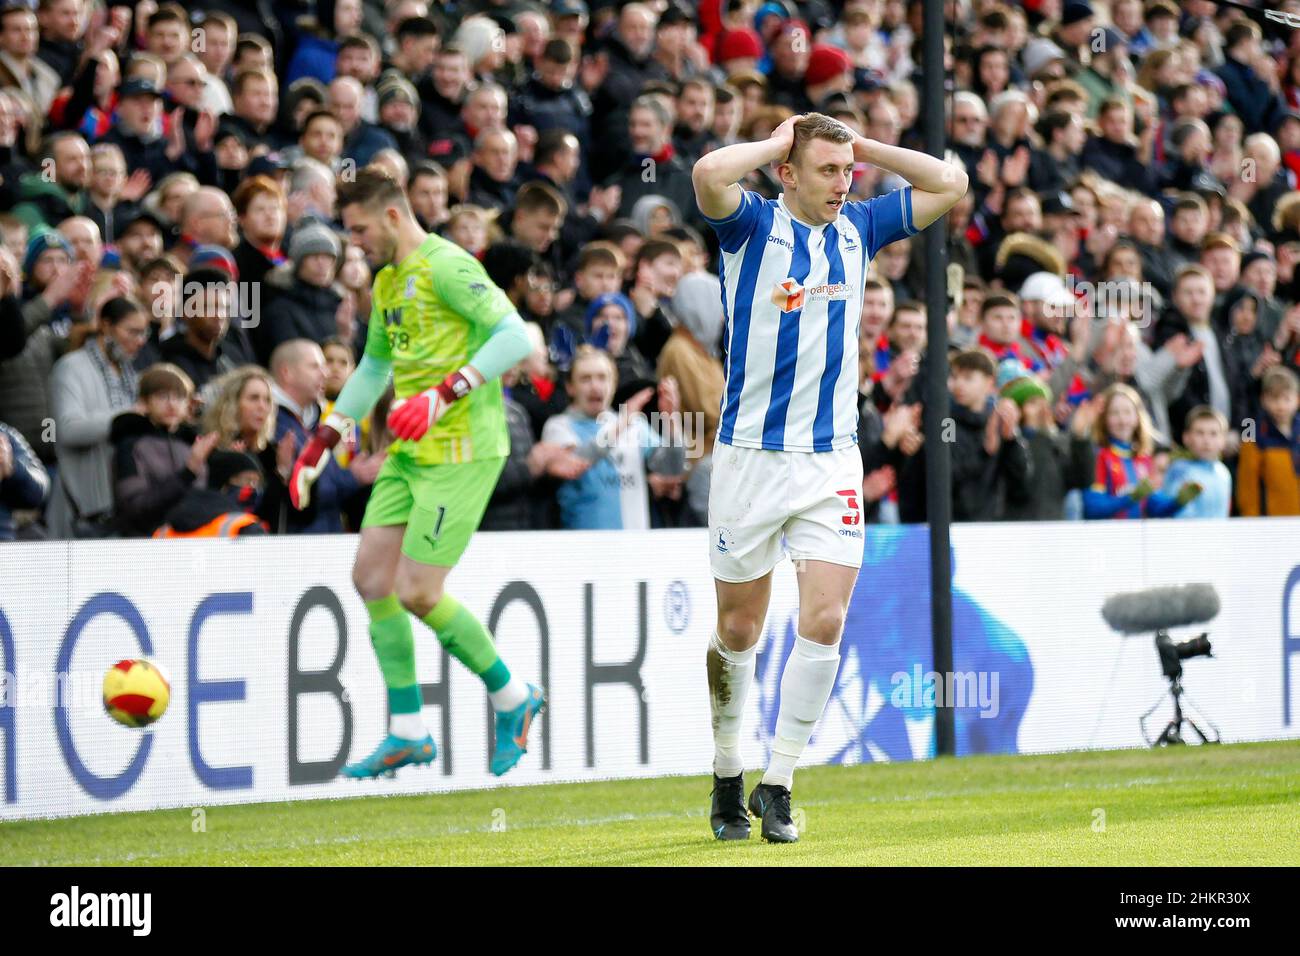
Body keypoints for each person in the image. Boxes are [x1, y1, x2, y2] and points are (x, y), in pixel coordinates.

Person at [691, 111, 968, 842]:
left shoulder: (862, 228)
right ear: (787, 173)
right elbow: (708, 174)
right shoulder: (750, 225)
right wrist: (782, 139)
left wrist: (861, 146)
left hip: (831, 460)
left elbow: (950, 180)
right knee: (739, 629)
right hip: (750, 456)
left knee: (825, 619)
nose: (843, 183)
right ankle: (726, 769)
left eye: (848, 172)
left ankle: (777, 782)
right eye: (826, 170)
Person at [288, 168, 544, 780]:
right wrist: (323, 438)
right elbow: (375, 368)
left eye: (359, 230)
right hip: (410, 452)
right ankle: (408, 730)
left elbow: (515, 337)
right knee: (372, 577)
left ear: (394, 216)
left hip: (462, 452)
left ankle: (514, 698)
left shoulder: (447, 266)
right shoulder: (386, 281)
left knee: (418, 592)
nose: (355, 244)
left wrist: (439, 395)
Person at [541, 345, 684, 529]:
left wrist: (671, 419)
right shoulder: (558, 426)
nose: (595, 386)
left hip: (634, 543)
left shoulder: (634, 425)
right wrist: (621, 425)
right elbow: (574, 462)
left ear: (613, 384)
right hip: (582, 546)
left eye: (602, 378)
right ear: (570, 387)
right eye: (585, 379)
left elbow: (671, 470)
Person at [46, 296, 148, 538]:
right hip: (81, 507)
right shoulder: (71, 367)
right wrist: (127, 417)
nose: (140, 341)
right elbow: (68, 429)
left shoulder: (130, 373)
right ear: (105, 325)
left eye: (144, 334)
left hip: (123, 505)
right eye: (132, 332)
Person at [1083, 383, 1201, 519]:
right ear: (1103, 418)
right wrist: (1130, 498)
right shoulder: (1099, 456)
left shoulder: (1143, 458)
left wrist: (1178, 501)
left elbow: (1154, 507)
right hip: (1109, 538)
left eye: (1127, 412)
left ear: (1138, 417)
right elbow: (1092, 508)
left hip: (1138, 538)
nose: (1122, 420)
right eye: (1114, 413)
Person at [153, 449, 269, 537]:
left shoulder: (164, 527)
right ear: (223, 485)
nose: (253, 488)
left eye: (256, 482)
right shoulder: (245, 527)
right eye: (247, 480)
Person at [1236, 366, 1300, 516]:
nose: (1281, 406)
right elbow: (1247, 488)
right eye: (1274, 399)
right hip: (1271, 522)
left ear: (1297, 399)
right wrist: (1251, 520)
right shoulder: (1253, 434)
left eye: (1286, 399)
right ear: (1263, 399)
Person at [1164, 405, 1232, 518]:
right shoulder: (1179, 470)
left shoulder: (1224, 472)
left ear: (1223, 440)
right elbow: (1177, 514)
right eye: (1200, 433)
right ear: (1186, 437)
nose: (1206, 440)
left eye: (1213, 433)